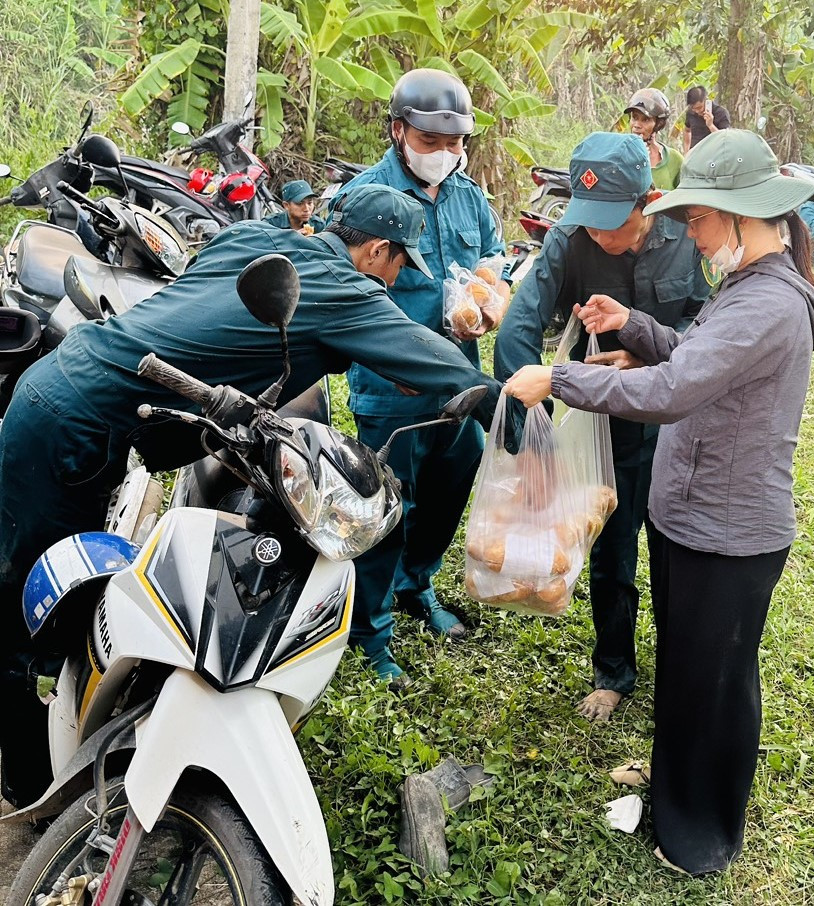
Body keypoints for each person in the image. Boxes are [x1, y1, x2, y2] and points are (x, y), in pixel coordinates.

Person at [0, 184, 504, 808]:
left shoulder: (258, 240)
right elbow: (434, 360)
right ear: (376, 251)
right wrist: (514, 395)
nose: (399, 276)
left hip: (73, 389)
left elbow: (225, 315)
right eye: (400, 262)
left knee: (43, 580)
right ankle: (29, 784)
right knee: (35, 610)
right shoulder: (345, 289)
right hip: (72, 419)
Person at [503, 129, 814, 875]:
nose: (691, 232)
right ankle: (675, 786)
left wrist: (559, 381)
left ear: (745, 216)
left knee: (716, 682)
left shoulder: (767, 302)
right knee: (686, 668)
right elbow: (695, 362)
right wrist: (636, 330)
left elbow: (678, 390)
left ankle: (702, 835)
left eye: (701, 219)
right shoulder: (746, 288)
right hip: (694, 517)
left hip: (730, 530)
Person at [494, 132, 708, 722]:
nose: (598, 235)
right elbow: (519, 327)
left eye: (612, 222)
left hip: (673, 424)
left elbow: (706, 323)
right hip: (602, 426)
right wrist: (527, 424)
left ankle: (685, 662)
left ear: (650, 201)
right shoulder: (569, 239)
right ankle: (613, 672)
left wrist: (653, 358)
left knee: (676, 547)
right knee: (614, 553)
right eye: (589, 222)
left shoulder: (686, 237)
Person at [330, 69, 507, 683]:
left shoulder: (469, 196)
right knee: (385, 509)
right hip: (390, 390)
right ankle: (371, 632)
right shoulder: (364, 197)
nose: (446, 155)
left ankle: (417, 583)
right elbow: (343, 292)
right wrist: (384, 359)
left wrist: (488, 295)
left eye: (456, 143)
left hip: (459, 379)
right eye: (432, 142)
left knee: (452, 482)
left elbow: (492, 257)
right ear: (399, 130)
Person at [624, 88, 684, 190]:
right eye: (634, 117)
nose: (637, 125)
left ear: (658, 124)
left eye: (645, 120)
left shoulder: (675, 160)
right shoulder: (620, 156)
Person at [682, 86, 730, 155]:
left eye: (699, 107)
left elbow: (725, 140)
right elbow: (687, 130)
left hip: (714, 156)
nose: (697, 111)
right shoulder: (690, 113)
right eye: (694, 108)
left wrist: (711, 125)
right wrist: (686, 152)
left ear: (706, 100)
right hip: (696, 155)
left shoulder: (721, 113)